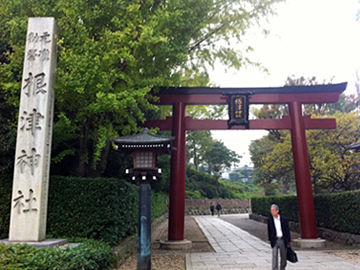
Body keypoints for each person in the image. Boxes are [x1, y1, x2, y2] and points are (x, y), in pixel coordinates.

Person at [267, 204, 291, 270]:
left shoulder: (284, 219)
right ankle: (275, 268)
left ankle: (282, 268)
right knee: (274, 256)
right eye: (271, 210)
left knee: (283, 256)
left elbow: (287, 230)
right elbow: (269, 230)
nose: (272, 212)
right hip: (275, 239)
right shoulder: (270, 220)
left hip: (282, 239)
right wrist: (270, 240)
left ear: (277, 211)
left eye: (273, 210)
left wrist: (288, 240)